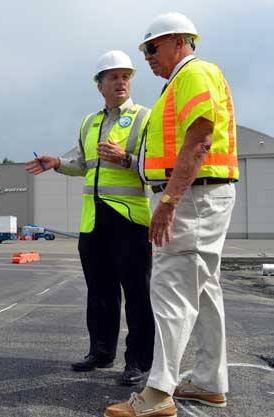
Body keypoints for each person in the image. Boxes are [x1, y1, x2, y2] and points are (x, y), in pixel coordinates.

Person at [105, 12, 238, 417]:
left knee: (172, 292)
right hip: (200, 197)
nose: (146, 56)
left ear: (180, 40)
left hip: (192, 198)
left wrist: (168, 202)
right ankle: (209, 382)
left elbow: (200, 140)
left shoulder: (193, 74)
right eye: (144, 49)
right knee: (204, 292)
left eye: (152, 47)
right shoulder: (179, 83)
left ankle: (158, 392)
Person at [26, 50, 154, 386]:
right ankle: (101, 351)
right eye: (113, 77)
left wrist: (125, 158)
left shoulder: (145, 118)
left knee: (137, 293)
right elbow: (83, 164)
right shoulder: (89, 122)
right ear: (99, 85)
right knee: (99, 291)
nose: (121, 82)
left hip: (129, 219)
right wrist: (58, 163)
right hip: (94, 222)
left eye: (126, 76)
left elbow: (155, 170)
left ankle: (138, 361)